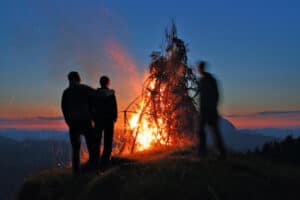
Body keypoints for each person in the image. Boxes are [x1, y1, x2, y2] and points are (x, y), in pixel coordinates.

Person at [61, 71, 97, 174]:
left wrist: (69, 122)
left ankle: (76, 172)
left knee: (75, 149)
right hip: (86, 121)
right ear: (78, 78)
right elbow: (97, 95)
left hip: (73, 123)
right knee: (91, 145)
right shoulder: (84, 89)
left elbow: (64, 109)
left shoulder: (66, 92)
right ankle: (93, 168)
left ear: (69, 80)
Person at [197, 61, 226, 158]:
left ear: (202, 69)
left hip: (210, 111)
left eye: (200, 68)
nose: (199, 70)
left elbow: (216, 95)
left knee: (214, 132)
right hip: (204, 110)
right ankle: (203, 152)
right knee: (203, 130)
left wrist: (212, 106)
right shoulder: (202, 80)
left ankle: (220, 152)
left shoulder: (210, 80)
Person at [93, 76, 118, 168]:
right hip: (108, 120)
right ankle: (105, 161)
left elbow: (92, 107)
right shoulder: (111, 94)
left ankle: (95, 160)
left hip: (98, 120)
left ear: (100, 83)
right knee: (108, 141)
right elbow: (114, 106)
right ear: (108, 83)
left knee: (97, 140)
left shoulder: (95, 94)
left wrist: (93, 118)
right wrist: (114, 117)